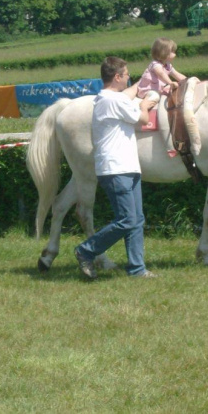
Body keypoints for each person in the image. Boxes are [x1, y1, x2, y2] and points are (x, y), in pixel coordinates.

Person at [74, 57, 157, 279]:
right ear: (117, 77)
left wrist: (146, 80)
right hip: (115, 169)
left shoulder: (110, 98)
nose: (129, 76)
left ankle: (137, 269)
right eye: (127, 73)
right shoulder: (112, 101)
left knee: (136, 219)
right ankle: (85, 251)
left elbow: (128, 94)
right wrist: (145, 104)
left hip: (127, 167)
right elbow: (142, 118)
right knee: (127, 220)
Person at [136, 37, 186, 102]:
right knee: (155, 96)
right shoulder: (155, 64)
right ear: (164, 52)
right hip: (147, 90)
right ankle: (144, 107)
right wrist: (170, 83)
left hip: (157, 89)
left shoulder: (167, 65)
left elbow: (177, 75)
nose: (175, 54)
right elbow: (161, 74)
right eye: (172, 51)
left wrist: (188, 80)